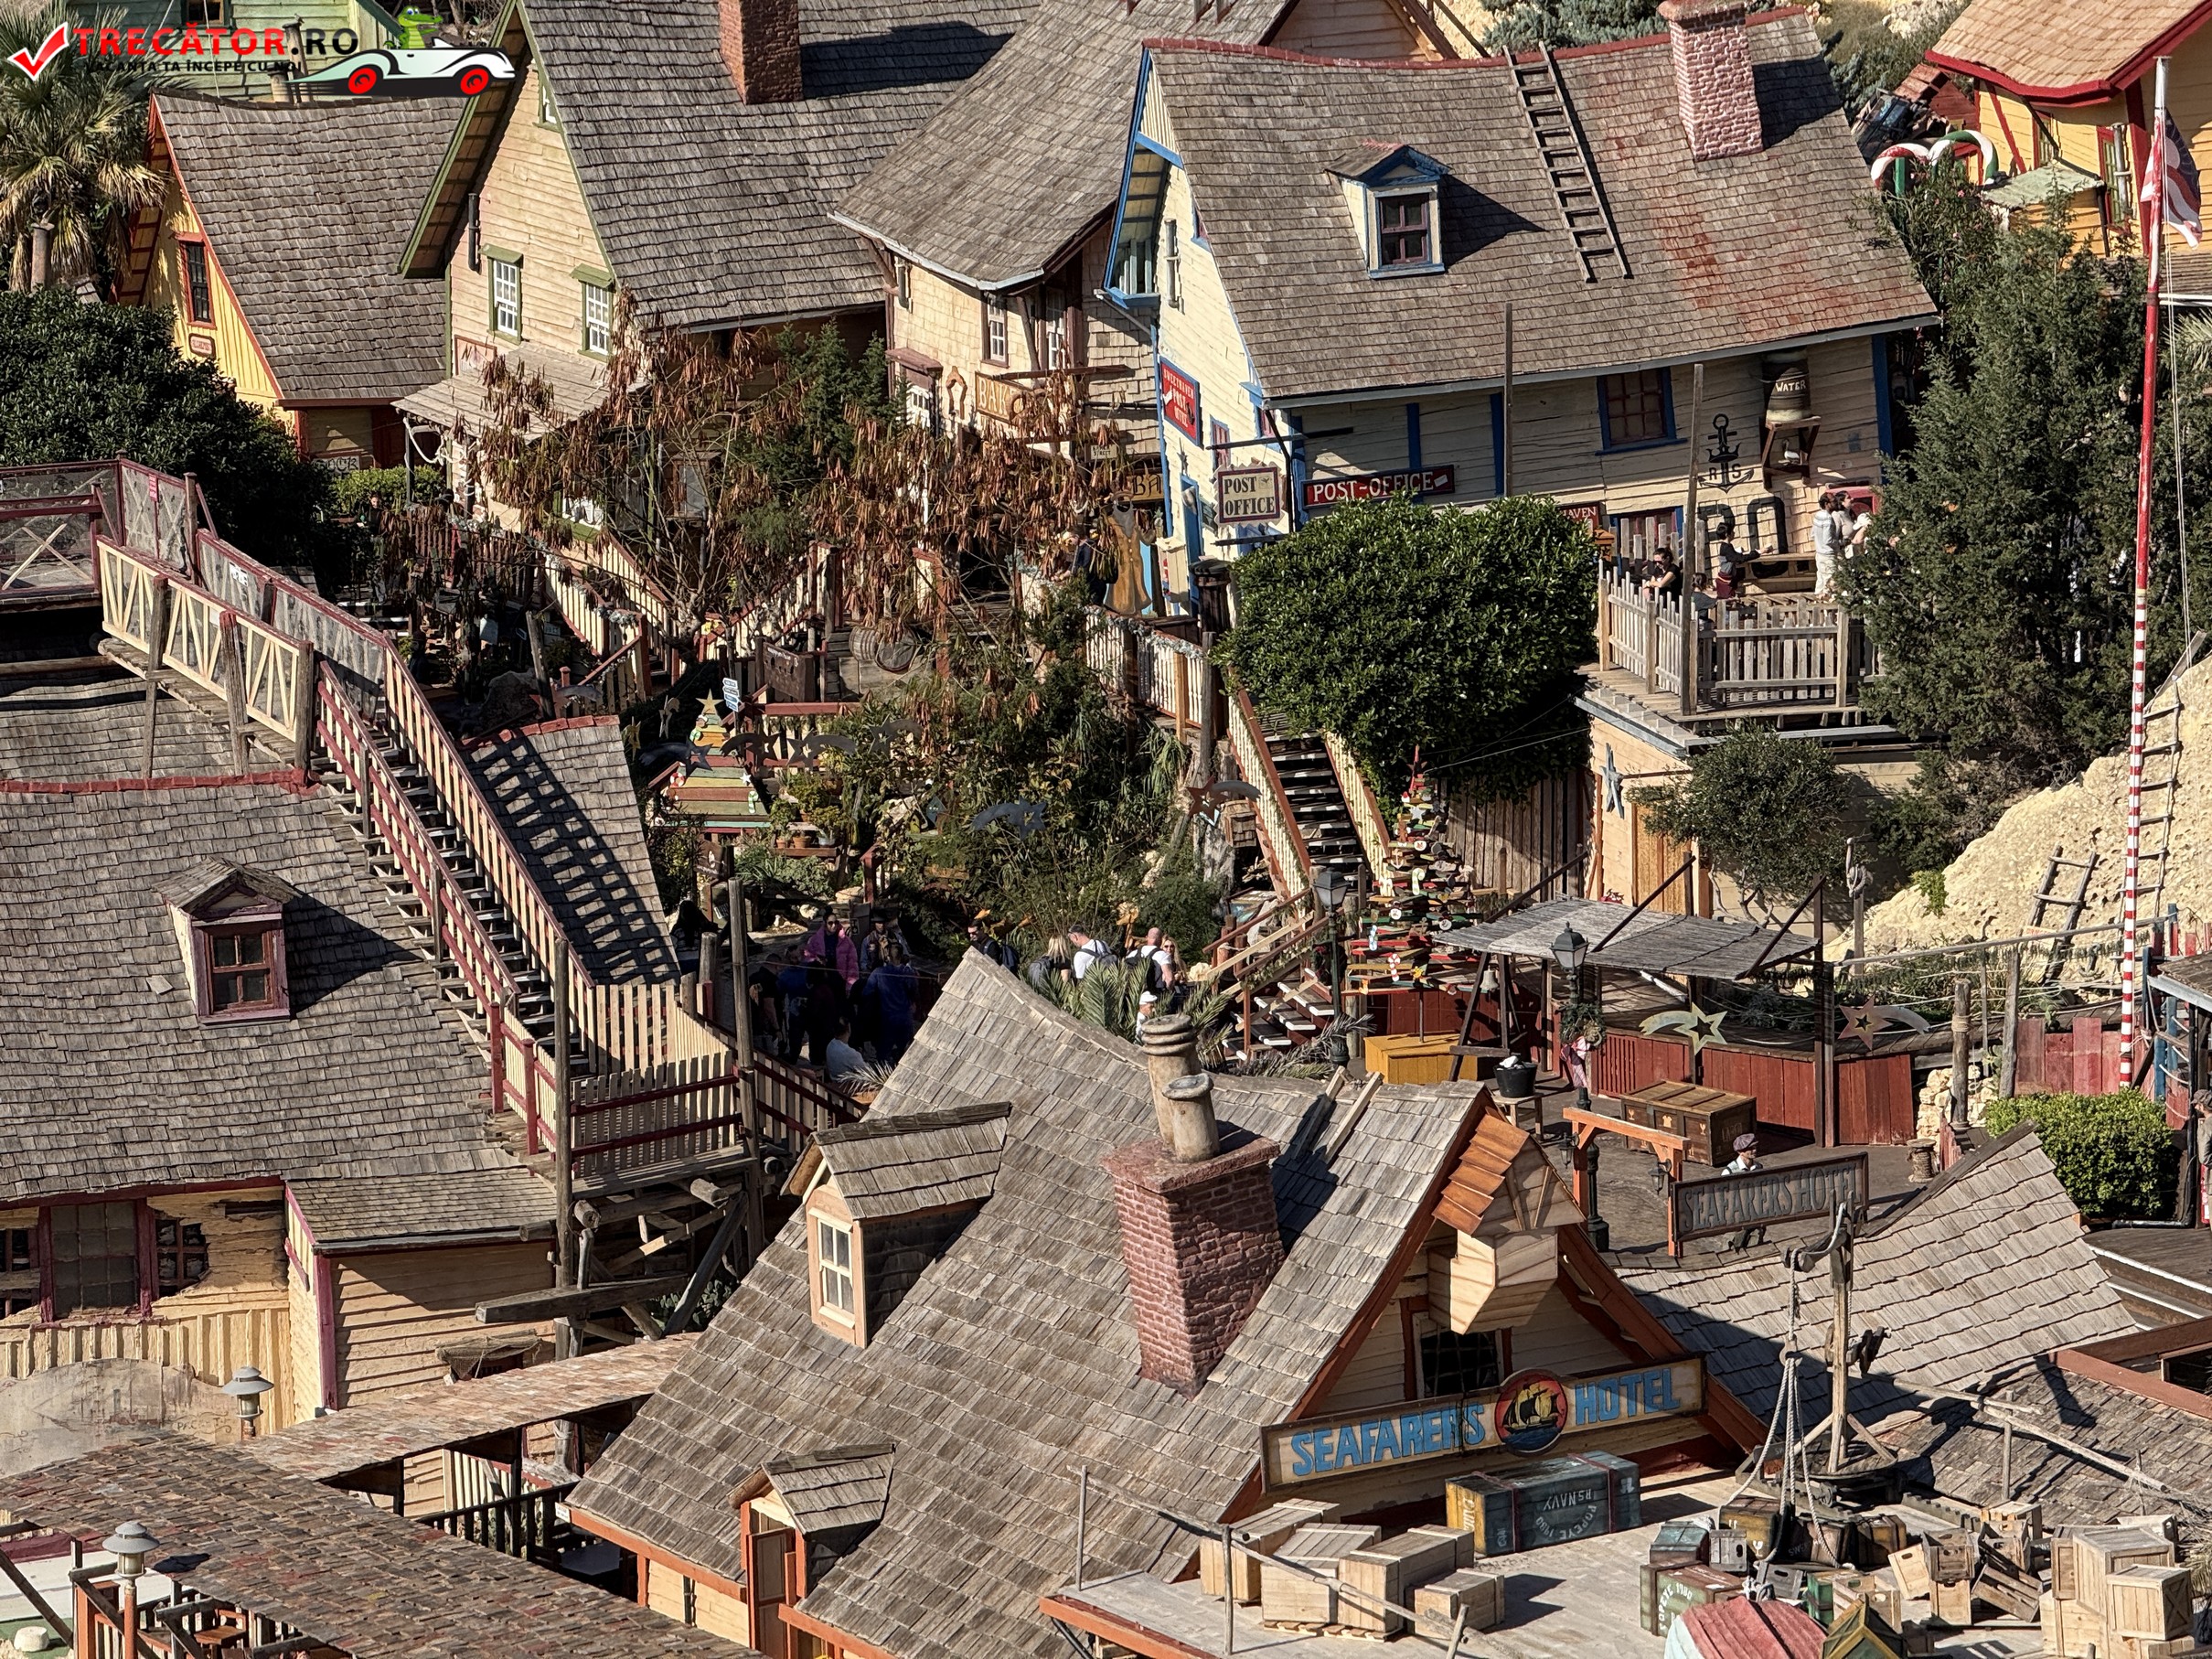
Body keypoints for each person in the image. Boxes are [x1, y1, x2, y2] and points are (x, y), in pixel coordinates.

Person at [859, 942, 920, 1066]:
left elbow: (866, 993)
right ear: (901, 956)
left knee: (883, 1056)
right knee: (906, 1056)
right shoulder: (908, 973)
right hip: (904, 1019)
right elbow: (915, 992)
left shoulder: (878, 973)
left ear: (887, 957)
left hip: (886, 1020)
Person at [803, 916, 860, 989]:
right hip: (820, 984)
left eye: (836, 923)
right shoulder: (814, 941)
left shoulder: (847, 942)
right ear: (825, 924)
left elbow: (853, 965)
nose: (834, 925)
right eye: (830, 923)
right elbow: (807, 962)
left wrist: (851, 986)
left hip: (840, 983)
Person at [1811, 491, 1845, 597]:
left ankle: (1819, 604)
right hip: (1828, 556)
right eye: (1834, 501)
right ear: (1827, 504)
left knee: (1821, 582)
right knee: (1831, 584)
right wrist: (1841, 543)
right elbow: (1828, 540)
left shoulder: (1818, 515)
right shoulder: (1828, 519)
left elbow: (1812, 534)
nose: (1836, 503)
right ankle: (1830, 605)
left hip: (1819, 554)